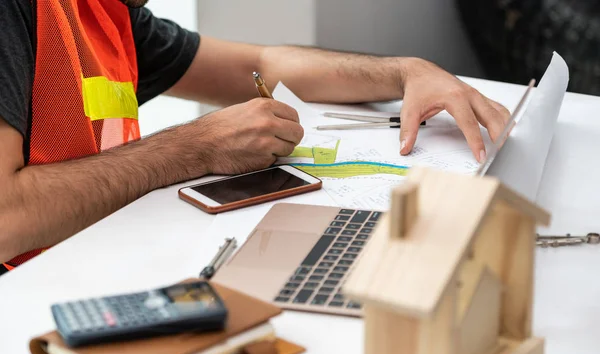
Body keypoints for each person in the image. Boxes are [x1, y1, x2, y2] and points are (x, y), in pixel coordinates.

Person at [0, 0, 510, 273]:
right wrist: (195, 146)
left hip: (88, 268)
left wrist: (405, 72)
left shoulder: (108, 15)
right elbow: (6, 218)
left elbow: (260, 65)